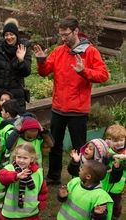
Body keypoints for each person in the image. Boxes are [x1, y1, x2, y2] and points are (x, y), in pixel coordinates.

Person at [33, 16, 109, 185]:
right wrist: (40, 61)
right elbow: (44, 72)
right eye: (61, 35)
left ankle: (79, 178)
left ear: (76, 31)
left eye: (66, 34)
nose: (63, 38)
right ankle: (53, 176)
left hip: (78, 110)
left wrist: (84, 72)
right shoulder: (59, 50)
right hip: (58, 108)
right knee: (54, 145)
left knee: (80, 147)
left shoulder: (90, 51)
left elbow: (103, 75)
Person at [0, 18, 31, 114]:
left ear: (16, 35)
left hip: (16, 93)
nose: (9, 37)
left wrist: (21, 60)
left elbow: (26, 73)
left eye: (11, 34)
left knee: (17, 123)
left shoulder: (23, 48)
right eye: (6, 35)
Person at [0, 142, 48, 220]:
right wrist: (16, 176)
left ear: (31, 159)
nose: (21, 160)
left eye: (25, 158)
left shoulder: (38, 172)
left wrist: (42, 203)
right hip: (11, 212)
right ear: (15, 156)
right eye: (19, 157)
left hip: (30, 212)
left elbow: (42, 190)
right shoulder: (10, 168)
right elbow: (2, 177)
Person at [105, 125, 126, 220]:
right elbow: (106, 154)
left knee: (116, 203)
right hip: (107, 182)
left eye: (121, 140)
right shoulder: (109, 149)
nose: (119, 143)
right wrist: (115, 156)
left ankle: (115, 217)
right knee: (105, 200)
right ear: (110, 141)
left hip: (118, 184)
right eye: (115, 141)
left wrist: (124, 161)